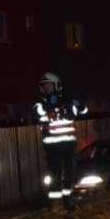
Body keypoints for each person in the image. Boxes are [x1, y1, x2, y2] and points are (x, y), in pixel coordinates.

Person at [32, 72, 88, 211]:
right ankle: (53, 204)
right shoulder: (42, 103)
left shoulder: (68, 99)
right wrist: (52, 112)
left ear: (56, 85)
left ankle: (67, 202)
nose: (46, 88)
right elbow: (36, 114)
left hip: (68, 145)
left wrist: (77, 104)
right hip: (52, 147)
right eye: (44, 86)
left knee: (69, 172)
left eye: (49, 85)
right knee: (55, 174)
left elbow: (84, 111)